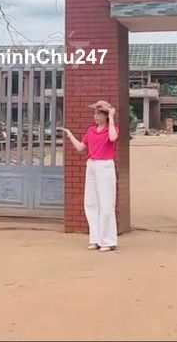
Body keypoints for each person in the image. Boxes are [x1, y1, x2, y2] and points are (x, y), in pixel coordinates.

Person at [57, 100, 119, 252]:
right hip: (91, 165)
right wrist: (70, 135)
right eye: (95, 113)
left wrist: (112, 117)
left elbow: (113, 138)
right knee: (91, 203)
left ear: (106, 116)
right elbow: (81, 147)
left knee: (106, 204)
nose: (96, 116)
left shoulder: (112, 129)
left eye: (99, 114)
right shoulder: (91, 130)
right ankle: (95, 239)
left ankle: (108, 241)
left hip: (105, 166)